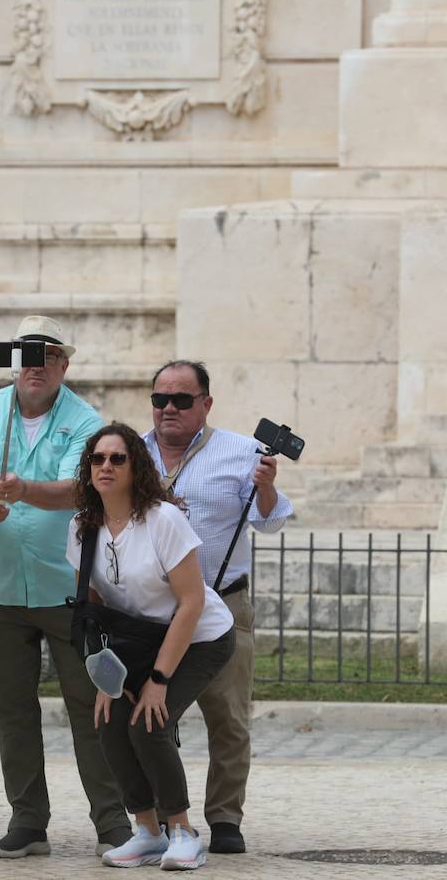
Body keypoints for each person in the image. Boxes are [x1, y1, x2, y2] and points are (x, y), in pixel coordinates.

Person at [0, 315, 130, 859]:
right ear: (13, 361)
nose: (35, 363)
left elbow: (82, 490)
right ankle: (28, 821)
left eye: (47, 354)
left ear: (64, 364)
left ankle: (114, 822)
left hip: (66, 587)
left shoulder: (85, 420)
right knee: (11, 708)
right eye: (26, 354)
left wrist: (23, 489)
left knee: (89, 706)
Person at [68, 423, 234, 871]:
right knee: (109, 719)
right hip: (136, 640)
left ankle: (183, 832)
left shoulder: (163, 519)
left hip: (199, 636)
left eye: (116, 458)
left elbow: (192, 602)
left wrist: (158, 681)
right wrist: (108, 678)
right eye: (97, 459)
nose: (105, 466)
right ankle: (147, 832)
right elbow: (99, 609)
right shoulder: (84, 527)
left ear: (135, 466)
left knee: (148, 723)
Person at [143, 360, 293, 855]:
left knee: (228, 717)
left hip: (222, 603)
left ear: (206, 404)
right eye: (160, 398)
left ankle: (225, 817)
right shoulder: (132, 454)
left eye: (182, 400)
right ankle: (166, 815)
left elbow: (270, 523)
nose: (169, 408)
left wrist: (266, 485)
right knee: (153, 715)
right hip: (154, 610)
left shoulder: (240, 452)